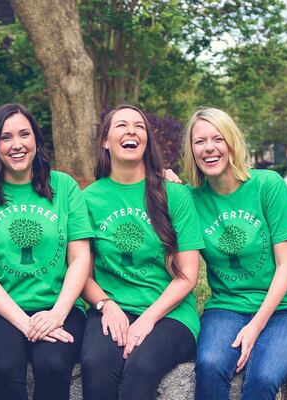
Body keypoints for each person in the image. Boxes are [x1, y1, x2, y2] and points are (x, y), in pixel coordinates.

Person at [0, 103, 93, 400]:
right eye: (6, 137)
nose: (16, 145)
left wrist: (57, 315)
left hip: (60, 306)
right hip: (1, 309)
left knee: (53, 365)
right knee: (3, 367)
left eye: (24, 134)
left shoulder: (64, 187)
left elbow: (80, 258)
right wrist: (27, 323)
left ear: (36, 140)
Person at [183, 107, 287, 400]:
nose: (209, 148)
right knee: (210, 366)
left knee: (263, 378)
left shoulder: (267, 185)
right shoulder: (190, 200)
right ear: (191, 151)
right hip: (227, 307)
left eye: (217, 138)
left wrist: (255, 325)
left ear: (232, 142)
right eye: (199, 141)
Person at [80, 104, 204, 400]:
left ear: (146, 139)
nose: (131, 130)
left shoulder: (175, 194)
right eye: (121, 125)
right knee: (95, 365)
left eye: (139, 125)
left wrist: (148, 318)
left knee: (141, 367)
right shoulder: (88, 199)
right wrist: (107, 305)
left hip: (170, 313)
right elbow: (79, 272)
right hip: (110, 307)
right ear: (106, 142)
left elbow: (188, 275)